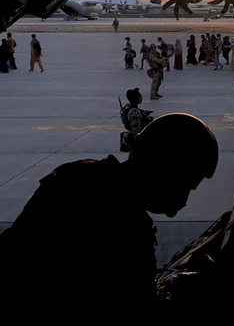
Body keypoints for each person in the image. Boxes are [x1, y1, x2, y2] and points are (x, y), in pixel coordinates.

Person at [0, 113, 219, 320]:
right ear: (163, 171)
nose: (181, 204)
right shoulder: (128, 228)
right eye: (184, 187)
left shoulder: (75, 177)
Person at [120, 87, 154, 154]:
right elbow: (136, 130)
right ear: (135, 98)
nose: (141, 97)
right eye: (139, 96)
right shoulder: (134, 112)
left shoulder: (128, 107)